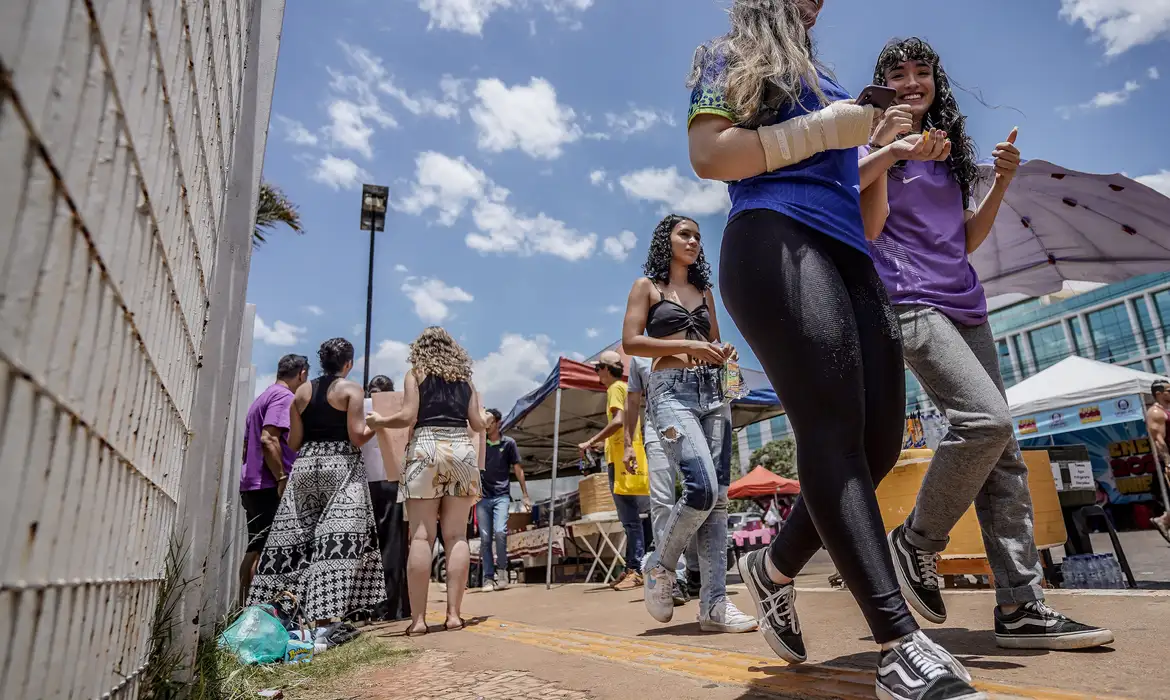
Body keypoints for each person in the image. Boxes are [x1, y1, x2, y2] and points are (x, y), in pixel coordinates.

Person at [687, 3, 979, 698]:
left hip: (850, 252)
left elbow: (862, 205)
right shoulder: (724, 54)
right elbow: (711, 155)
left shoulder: (825, 77)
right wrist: (833, 128)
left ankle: (773, 570)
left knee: (877, 446)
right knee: (831, 436)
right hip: (773, 237)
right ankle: (899, 645)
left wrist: (882, 150)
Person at [860, 37, 1112, 651]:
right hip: (908, 303)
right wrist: (890, 152)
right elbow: (865, 228)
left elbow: (964, 241)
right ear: (885, 85)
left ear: (937, 83)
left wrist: (998, 183)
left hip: (967, 304)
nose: (913, 81)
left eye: (923, 72)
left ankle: (1022, 606)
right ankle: (917, 542)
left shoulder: (948, 155)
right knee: (986, 420)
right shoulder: (869, 146)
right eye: (899, 73)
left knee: (1003, 451)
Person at [621, 214, 757, 634]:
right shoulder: (647, 287)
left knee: (719, 500)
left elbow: (712, 343)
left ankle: (714, 604)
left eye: (698, 235)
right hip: (669, 392)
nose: (694, 240)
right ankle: (661, 565)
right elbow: (630, 342)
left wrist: (723, 350)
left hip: (713, 392)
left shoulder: (704, 291)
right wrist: (687, 343)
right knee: (701, 488)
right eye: (685, 233)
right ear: (667, 240)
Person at [248, 339, 383, 646]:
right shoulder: (350, 390)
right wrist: (377, 425)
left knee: (300, 541)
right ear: (347, 364)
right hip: (341, 466)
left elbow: (293, 442)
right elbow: (357, 437)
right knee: (336, 542)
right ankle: (324, 621)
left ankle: (277, 613)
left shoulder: (301, 392)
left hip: (307, 466)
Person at [366, 326, 487, 636]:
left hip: (426, 446)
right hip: (460, 448)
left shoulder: (415, 373)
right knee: (457, 536)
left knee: (421, 537)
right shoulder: (465, 379)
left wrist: (381, 421)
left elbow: (408, 416)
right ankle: (453, 616)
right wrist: (484, 417)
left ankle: (418, 621)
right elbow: (476, 423)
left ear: (420, 347)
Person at [626, 354, 700, 605]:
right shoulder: (638, 357)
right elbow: (633, 401)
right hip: (656, 429)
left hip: (690, 426)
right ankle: (672, 576)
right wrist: (628, 445)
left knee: (698, 496)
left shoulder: (688, 343)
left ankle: (696, 569)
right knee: (661, 502)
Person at [238, 354, 309, 606]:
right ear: (302, 375)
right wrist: (281, 477)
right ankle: (259, 613)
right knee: (265, 551)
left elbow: (249, 445)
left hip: (253, 483)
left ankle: (246, 611)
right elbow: (269, 438)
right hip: (268, 485)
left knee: (255, 547)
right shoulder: (284, 397)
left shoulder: (263, 397)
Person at [579, 351, 652, 591]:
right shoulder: (621, 388)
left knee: (630, 519)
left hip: (621, 463)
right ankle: (635, 566)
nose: (596, 374)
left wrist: (591, 441)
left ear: (606, 369)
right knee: (635, 518)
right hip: (624, 458)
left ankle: (636, 568)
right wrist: (603, 443)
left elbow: (619, 420)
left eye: (597, 368)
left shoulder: (614, 389)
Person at [362, 375, 411, 622]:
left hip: (365, 483)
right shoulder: (399, 409)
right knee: (394, 547)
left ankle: (371, 609)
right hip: (393, 481)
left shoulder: (360, 407)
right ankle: (396, 608)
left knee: (369, 548)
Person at [479, 408, 532, 592]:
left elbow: (518, 469)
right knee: (485, 538)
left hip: (501, 496)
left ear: (498, 422)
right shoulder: (479, 443)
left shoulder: (509, 443)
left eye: (490, 421)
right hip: (482, 497)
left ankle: (502, 572)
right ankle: (487, 578)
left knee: (500, 532)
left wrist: (525, 495)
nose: (487, 424)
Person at [1146, 380, 1170, 543]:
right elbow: (1158, 440)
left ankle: (1164, 520)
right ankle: (1163, 520)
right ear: (1159, 394)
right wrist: (1168, 462)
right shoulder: (1156, 412)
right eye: (1169, 390)